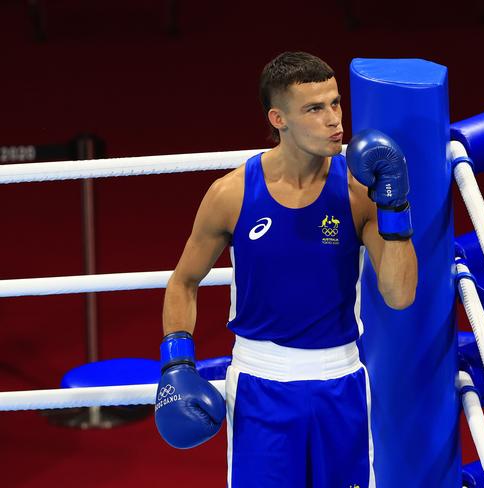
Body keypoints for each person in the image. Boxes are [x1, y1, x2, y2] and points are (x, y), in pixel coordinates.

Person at [154, 51, 418, 488]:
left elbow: (400, 294)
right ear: (279, 119)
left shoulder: (358, 192)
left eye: (335, 103)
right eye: (314, 109)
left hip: (341, 382)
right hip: (261, 385)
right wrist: (176, 364)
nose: (334, 119)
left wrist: (396, 207)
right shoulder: (232, 193)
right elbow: (184, 282)